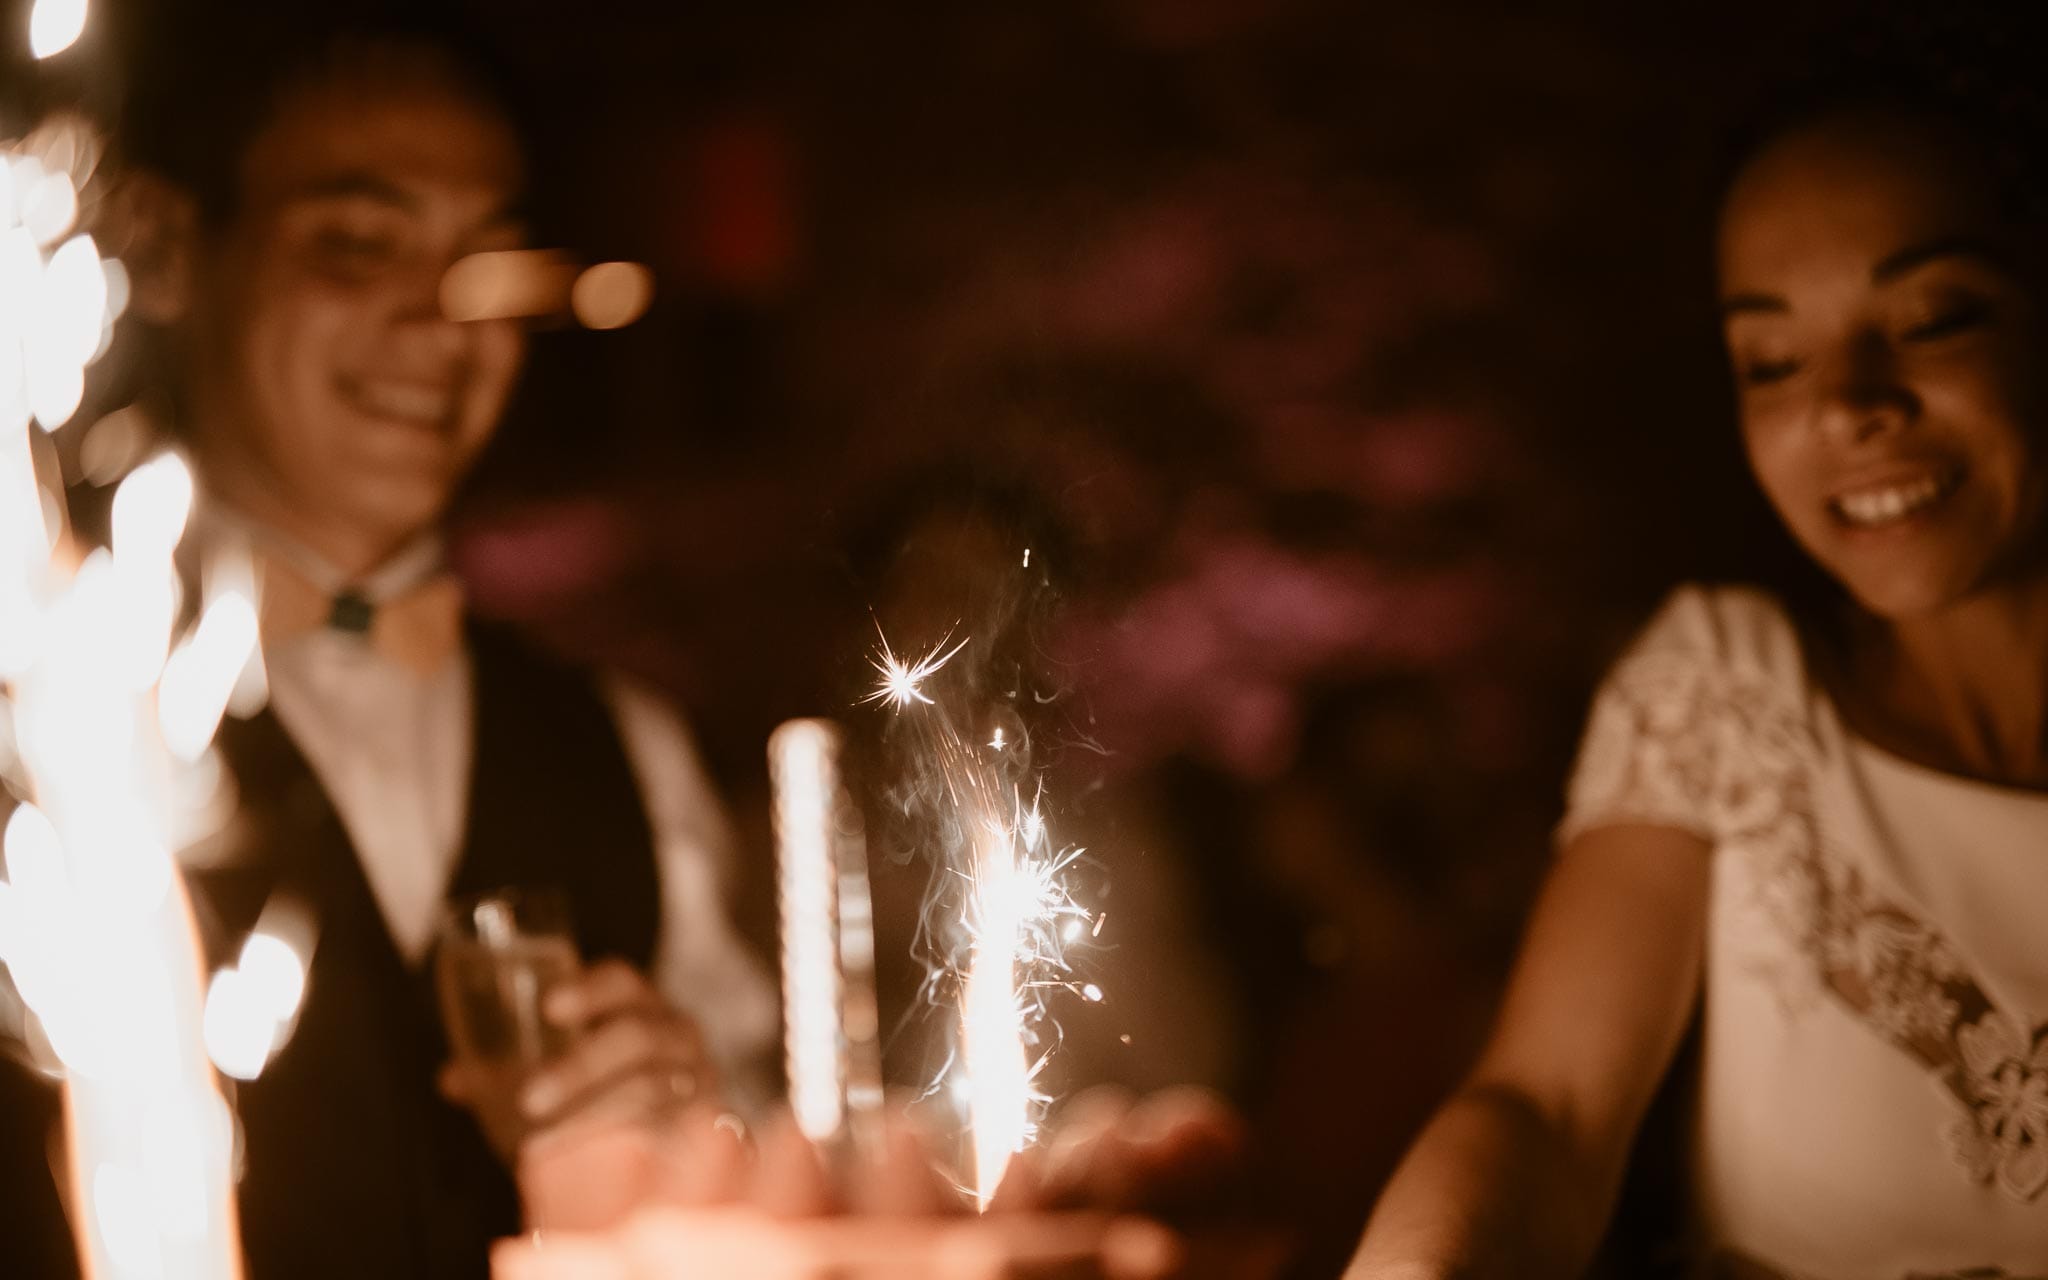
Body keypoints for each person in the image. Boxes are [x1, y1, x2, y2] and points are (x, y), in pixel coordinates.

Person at [0, 13, 775, 1279]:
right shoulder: (42, 702)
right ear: (170, 247)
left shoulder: (620, 745)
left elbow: (767, 1191)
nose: (437, 325)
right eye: (356, 248)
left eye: (483, 264)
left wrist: (690, 1132)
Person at [1346, 62, 2048, 1280]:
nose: (1847, 404)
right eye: (1770, 360)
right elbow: (1543, 1109)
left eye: (1932, 317)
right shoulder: (1725, 691)